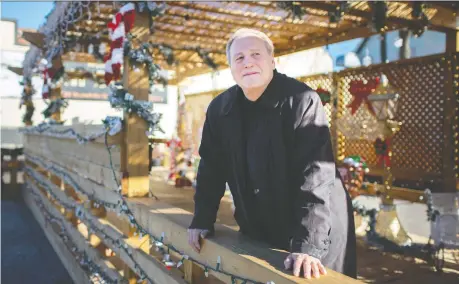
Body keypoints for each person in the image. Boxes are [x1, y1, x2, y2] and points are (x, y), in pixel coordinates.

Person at [188, 28, 357, 279]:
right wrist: (202, 219)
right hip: (259, 221)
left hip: (317, 225)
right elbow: (211, 168)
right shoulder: (220, 109)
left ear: (272, 61)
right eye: (239, 58)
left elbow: (316, 175)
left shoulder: (302, 100)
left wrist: (308, 246)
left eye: (256, 54)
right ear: (232, 68)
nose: (248, 62)